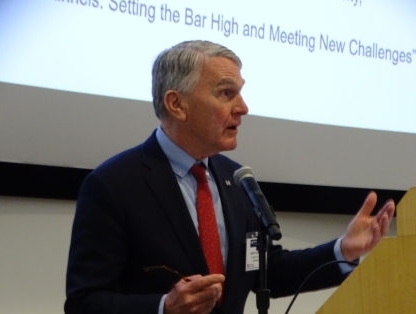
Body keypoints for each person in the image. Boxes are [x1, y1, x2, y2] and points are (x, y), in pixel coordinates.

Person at [64, 40, 395, 314]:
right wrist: (164, 307)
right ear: (177, 104)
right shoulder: (114, 185)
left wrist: (342, 250)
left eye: (240, 93)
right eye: (226, 93)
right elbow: (84, 302)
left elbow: (269, 272)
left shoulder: (235, 178)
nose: (243, 107)